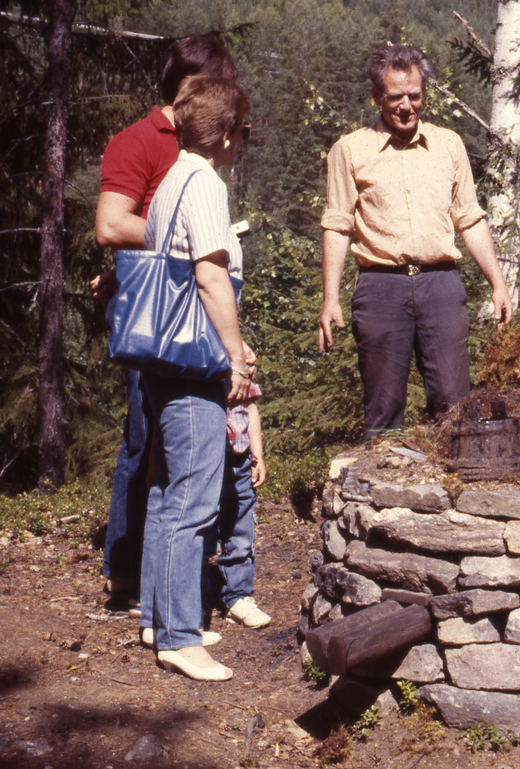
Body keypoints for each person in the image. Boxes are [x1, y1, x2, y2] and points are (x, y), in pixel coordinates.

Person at [93, 35, 238, 607]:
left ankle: (162, 579)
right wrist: (182, 238)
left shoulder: (191, 146)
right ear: (190, 86)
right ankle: (127, 568)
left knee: (173, 450)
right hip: (160, 315)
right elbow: (110, 225)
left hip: (188, 310)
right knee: (144, 441)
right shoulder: (139, 140)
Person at [317, 45, 513, 440]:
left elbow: (469, 218)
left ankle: (456, 493)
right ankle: (378, 497)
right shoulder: (349, 150)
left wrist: (498, 283)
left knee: (454, 401)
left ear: (424, 93)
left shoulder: (449, 145)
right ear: (377, 97)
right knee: (384, 407)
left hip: (441, 285)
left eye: (415, 95)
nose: (406, 106)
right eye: (395, 97)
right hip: (380, 287)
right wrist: (330, 298)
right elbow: (337, 226)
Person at [138, 75, 253, 681]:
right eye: (244, 131)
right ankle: (180, 637)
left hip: (162, 357)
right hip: (194, 361)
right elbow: (209, 277)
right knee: (194, 498)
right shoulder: (205, 184)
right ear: (227, 132)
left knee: (166, 493)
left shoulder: (170, 181)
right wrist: (235, 354)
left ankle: (160, 617)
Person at [216, 376, 272, 629]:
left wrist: (257, 456)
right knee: (199, 534)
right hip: (205, 461)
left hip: (239, 462)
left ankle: (237, 597)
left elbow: (250, 408)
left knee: (241, 532)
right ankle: (192, 599)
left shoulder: (240, 360)